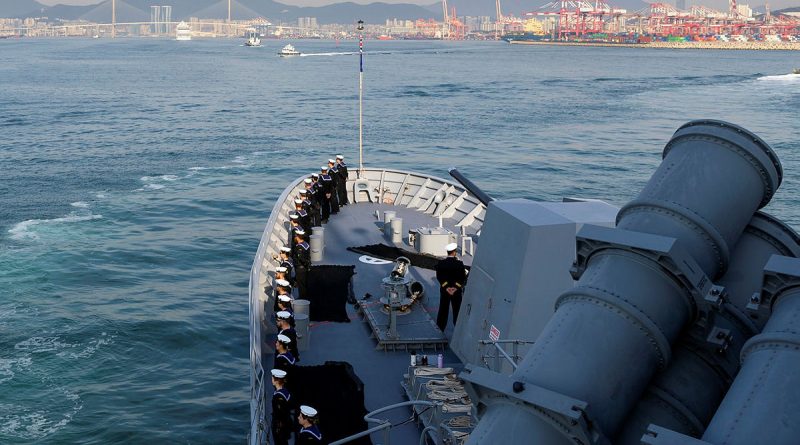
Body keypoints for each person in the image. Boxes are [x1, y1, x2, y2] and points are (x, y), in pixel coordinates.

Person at [434, 242, 467, 332]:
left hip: (445, 291)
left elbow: (439, 277)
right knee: (457, 310)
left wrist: (447, 288)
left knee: (443, 310)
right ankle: (458, 330)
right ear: (454, 252)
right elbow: (462, 278)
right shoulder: (459, 264)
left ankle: (440, 329)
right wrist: (455, 287)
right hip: (456, 292)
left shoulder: (441, 263)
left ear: (447, 252)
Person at [270, 368, 293, 445]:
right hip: (285, 423)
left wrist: (278, 426)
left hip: (280, 425)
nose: (271, 379)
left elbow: (280, 412)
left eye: (272, 378)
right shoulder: (285, 391)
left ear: (276, 380)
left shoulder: (279, 396)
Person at [293, 230, 310, 299]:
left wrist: (305, 264)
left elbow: (301, 258)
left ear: (298, 237)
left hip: (300, 268)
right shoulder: (306, 244)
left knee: (301, 285)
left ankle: (302, 299)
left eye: (295, 236)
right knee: (304, 283)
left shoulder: (299, 247)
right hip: (305, 268)